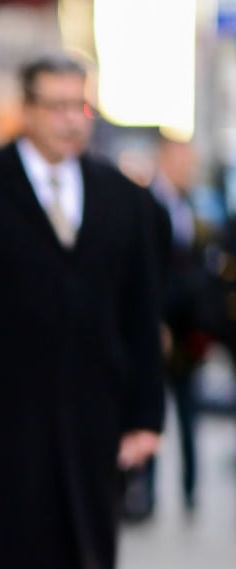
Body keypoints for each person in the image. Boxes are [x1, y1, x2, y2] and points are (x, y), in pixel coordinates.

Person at [0, 53, 165, 569]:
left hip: (93, 417)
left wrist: (146, 416)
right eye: (57, 105)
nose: (70, 119)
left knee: (85, 548)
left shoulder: (121, 195)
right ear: (26, 109)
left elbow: (140, 308)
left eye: (79, 106)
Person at [122, 133, 215, 519]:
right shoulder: (144, 202)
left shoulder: (193, 206)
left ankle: (190, 491)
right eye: (180, 159)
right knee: (151, 410)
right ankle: (146, 494)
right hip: (156, 327)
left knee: (189, 413)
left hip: (188, 334)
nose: (186, 168)